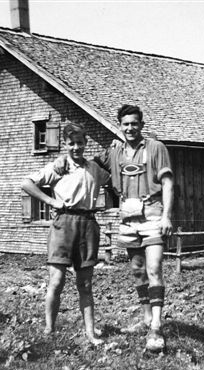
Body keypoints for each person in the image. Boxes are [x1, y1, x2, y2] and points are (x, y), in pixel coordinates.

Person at [55, 105, 174, 351]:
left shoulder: (155, 148)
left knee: (154, 268)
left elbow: (168, 183)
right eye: (125, 124)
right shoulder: (114, 151)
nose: (130, 128)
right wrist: (62, 159)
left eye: (134, 123)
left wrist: (166, 217)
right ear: (119, 125)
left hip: (152, 212)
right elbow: (85, 163)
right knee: (138, 270)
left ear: (141, 124)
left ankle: (157, 327)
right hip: (128, 215)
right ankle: (145, 318)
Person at [21, 123, 110, 345]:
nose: (76, 147)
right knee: (57, 280)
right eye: (71, 144)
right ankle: (49, 330)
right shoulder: (58, 166)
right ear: (65, 145)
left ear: (86, 143)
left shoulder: (95, 169)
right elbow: (27, 183)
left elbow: (114, 161)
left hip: (88, 224)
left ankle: (90, 332)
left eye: (80, 143)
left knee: (86, 284)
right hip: (63, 222)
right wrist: (50, 200)